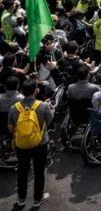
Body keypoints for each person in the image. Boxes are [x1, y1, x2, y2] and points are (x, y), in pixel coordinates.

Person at [8, 79, 53, 209]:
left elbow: (10, 128)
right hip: (40, 142)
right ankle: (37, 199)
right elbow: (49, 120)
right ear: (36, 91)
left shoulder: (14, 108)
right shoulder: (43, 105)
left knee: (22, 170)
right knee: (39, 171)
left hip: (21, 144)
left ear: (21, 91)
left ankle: (21, 199)